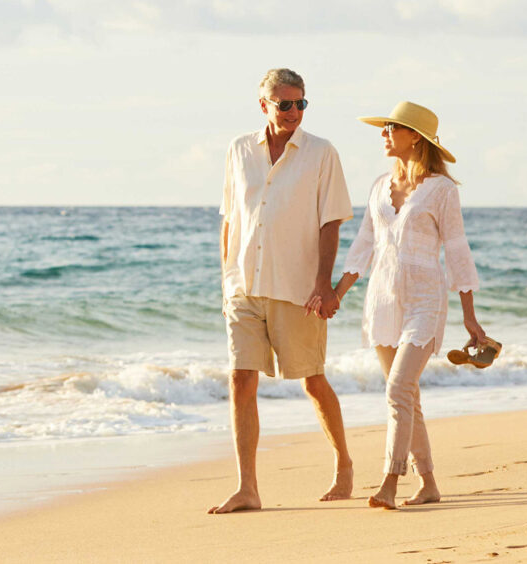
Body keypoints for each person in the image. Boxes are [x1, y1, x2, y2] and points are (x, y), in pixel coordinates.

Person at [330, 101, 491, 509]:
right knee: (406, 395)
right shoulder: (378, 186)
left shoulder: (441, 190)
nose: (383, 135)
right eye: (383, 129)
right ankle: (430, 483)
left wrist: (470, 317)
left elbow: (456, 250)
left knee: (398, 388)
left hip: (425, 299)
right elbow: (364, 243)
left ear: (414, 136)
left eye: (390, 129)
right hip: (382, 300)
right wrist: (336, 293)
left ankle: (390, 480)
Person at [209, 69, 355, 514]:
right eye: (285, 104)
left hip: (298, 289)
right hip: (243, 286)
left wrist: (323, 284)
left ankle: (344, 464)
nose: (294, 112)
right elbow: (230, 219)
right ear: (264, 105)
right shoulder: (238, 150)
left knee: (312, 381)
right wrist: (226, 280)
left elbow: (331, 221)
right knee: (240, 380)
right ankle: (247, 488)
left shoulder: (321, 153)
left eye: (301, 104)